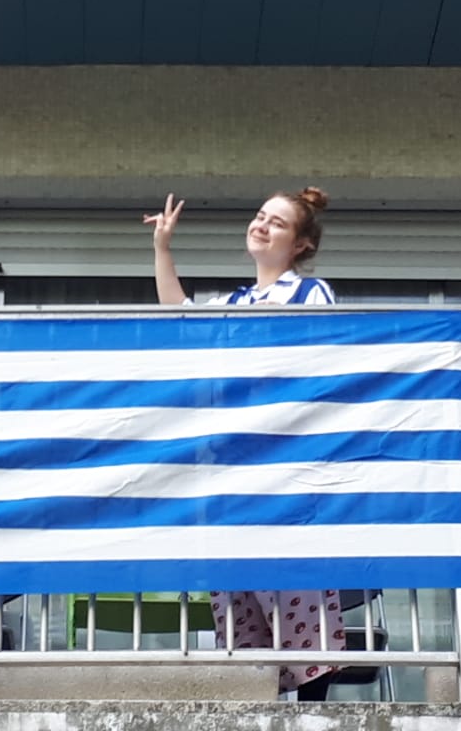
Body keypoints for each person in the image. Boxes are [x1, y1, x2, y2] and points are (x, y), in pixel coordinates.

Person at [144, 187, 344, 700]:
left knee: (297, 596)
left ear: (300, 244)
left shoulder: (310, 294)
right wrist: (163, 249)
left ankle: (311, 714)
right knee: (240, 608)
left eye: (276, 223)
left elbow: (311, 359)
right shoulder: (234, 303)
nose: (261, 225)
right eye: (258, 216)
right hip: (233, 469)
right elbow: (182, 321)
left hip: (287, 466)